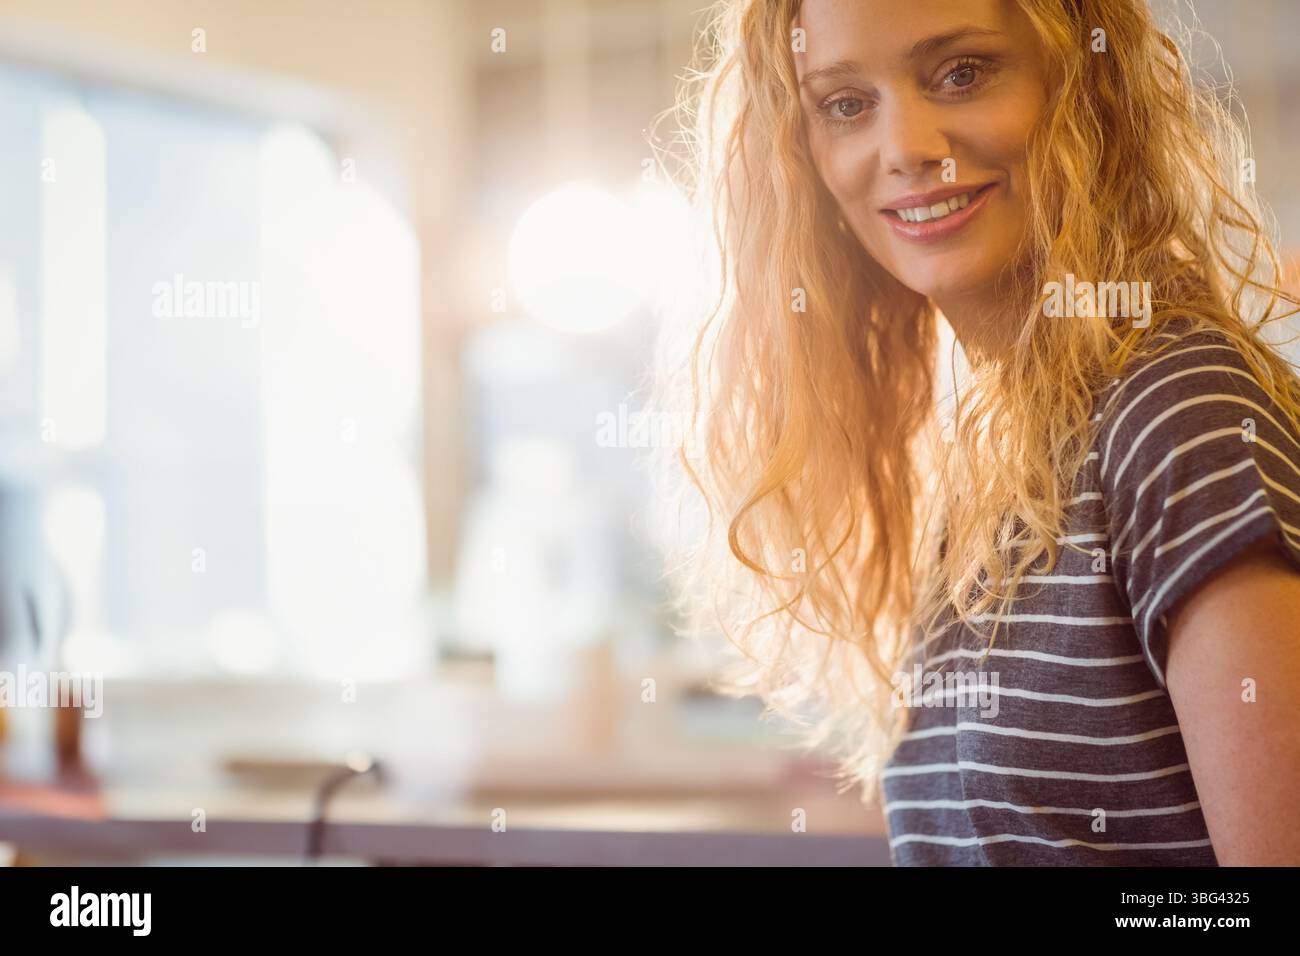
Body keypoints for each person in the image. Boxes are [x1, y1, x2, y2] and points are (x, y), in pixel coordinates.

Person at [651, 0, 1300, 865]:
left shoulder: (1182, 413)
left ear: (1083, 84)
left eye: (960, 73)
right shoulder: (997, 452)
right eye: (846, 104)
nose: (906, 146)